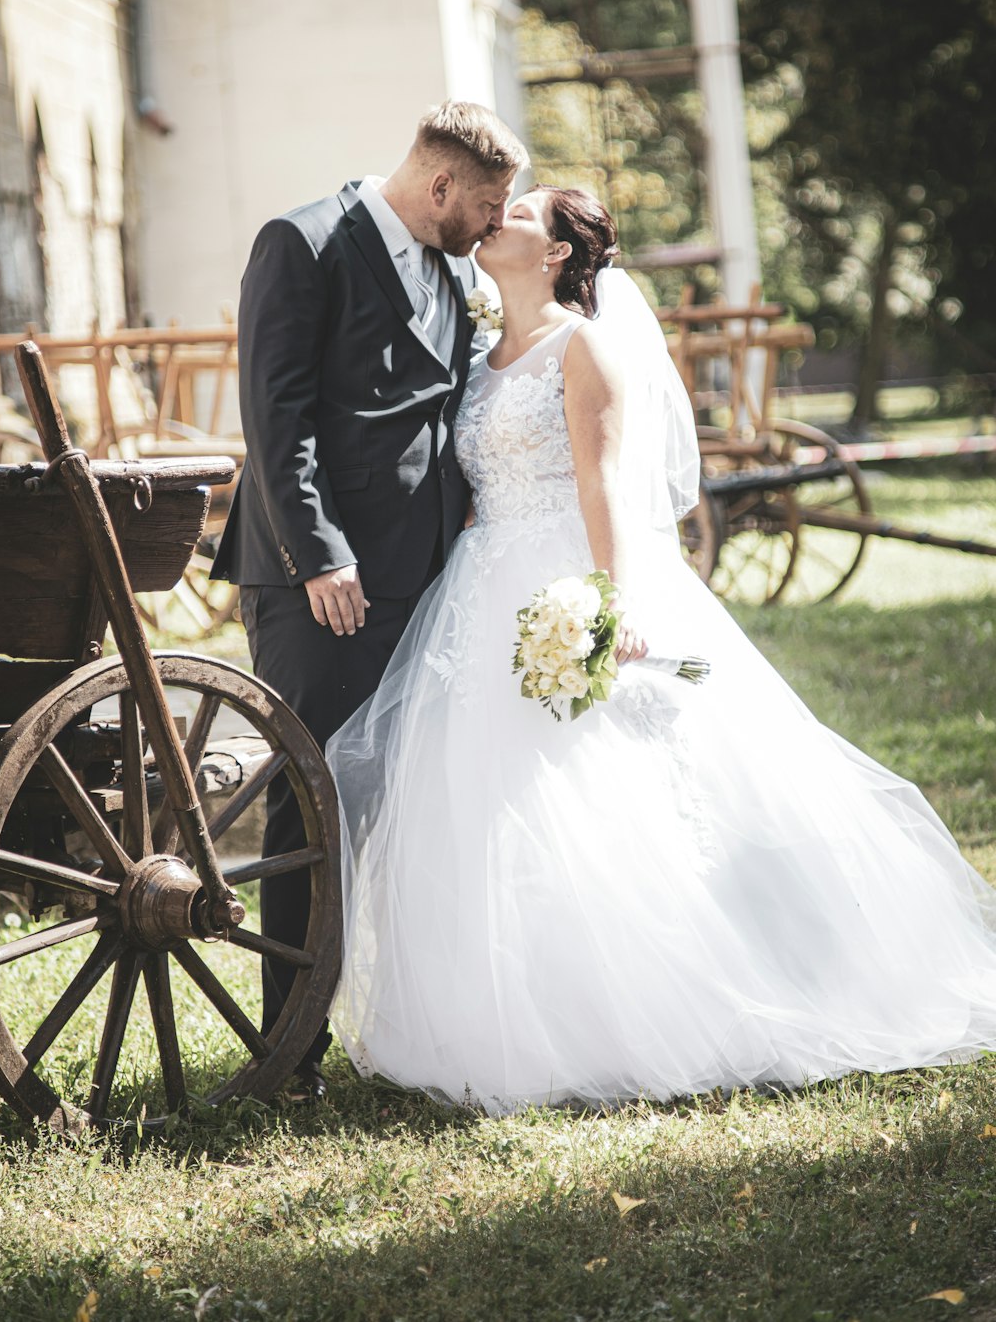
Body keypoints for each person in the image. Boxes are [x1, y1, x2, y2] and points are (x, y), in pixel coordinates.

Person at [326, 184, 996, 1115]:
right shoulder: (481, 356)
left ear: (557, 252)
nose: (494, 220)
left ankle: (680, 995)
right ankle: (501, 1009)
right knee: (479, 792)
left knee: (605, 787)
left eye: (517, 214)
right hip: (481, 591)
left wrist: (611, 605)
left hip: (571, 574)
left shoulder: (584, 346)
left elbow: (604, 490)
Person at [211, 102, 528, 1096]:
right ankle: (286, 1056)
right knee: (316, 812)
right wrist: (319, 555)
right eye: (483, 207)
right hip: (325, 588)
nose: (489, 228)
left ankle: (392, 1027)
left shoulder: (441, 267)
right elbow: (277, 417)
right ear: (439, 186)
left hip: (427, 583)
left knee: (402, 807)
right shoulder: (302, 244)